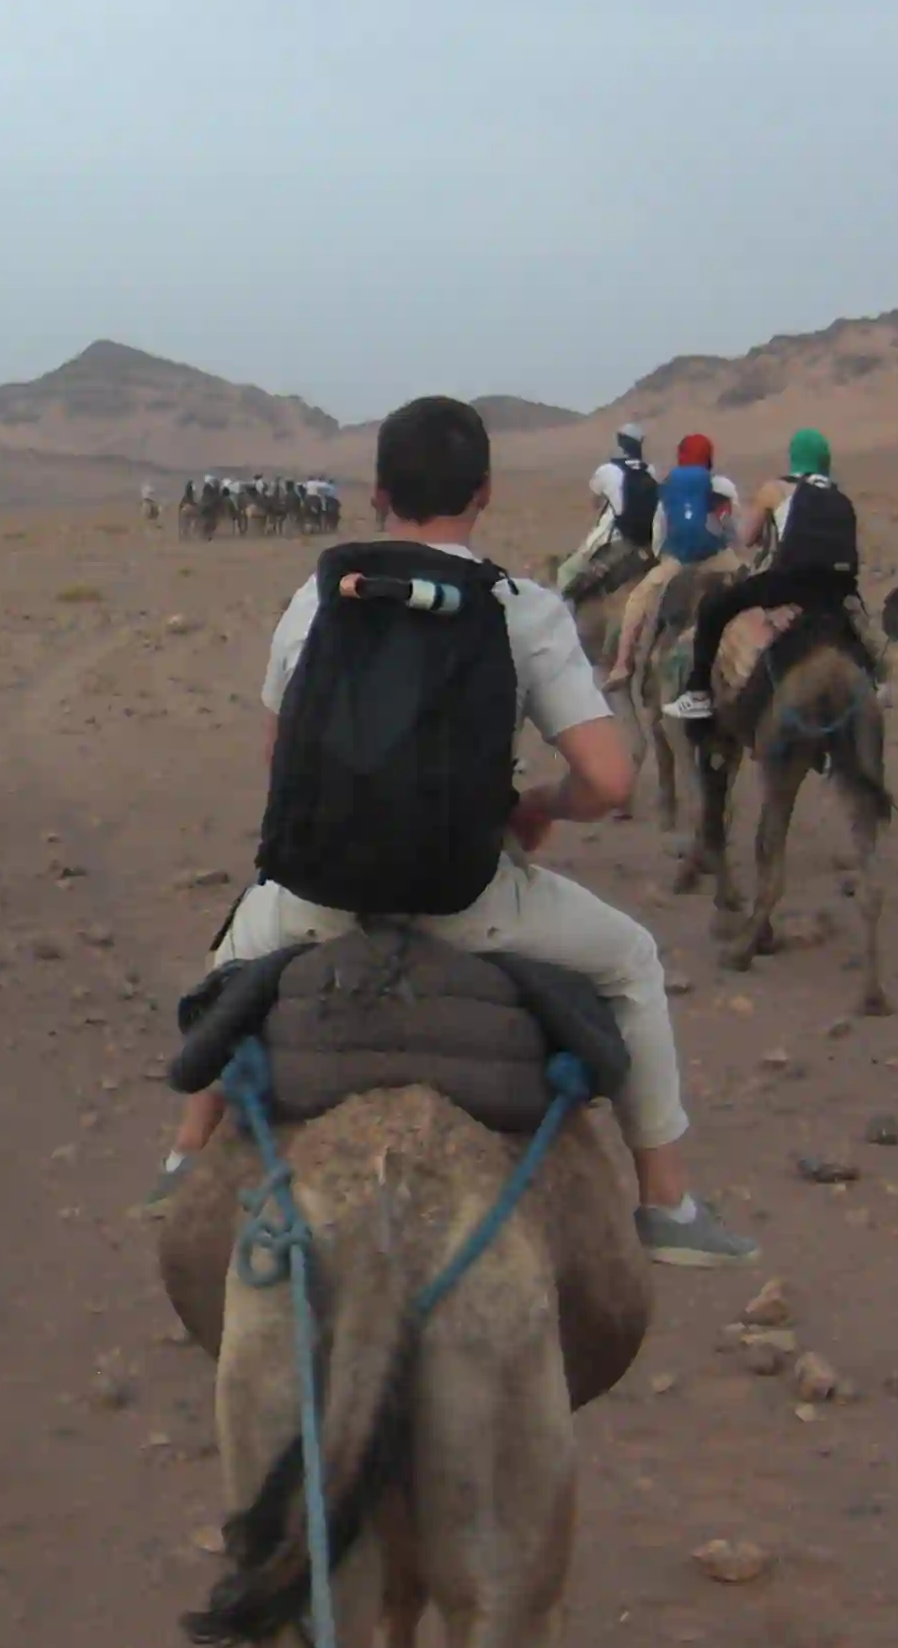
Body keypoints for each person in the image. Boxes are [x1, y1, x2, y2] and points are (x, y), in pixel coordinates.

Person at [156, 398, 755, 1267]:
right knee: (631, 962)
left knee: (230, 963)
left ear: (376, 493)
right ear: (483, 493)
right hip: (469, 899)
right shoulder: (520, 608)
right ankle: (666, 1202)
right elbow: (611, 780)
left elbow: (278, 756)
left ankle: (185, 1154)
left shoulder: (314, 602)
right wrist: (537, 807)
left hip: (317, 897)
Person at [674, 428, 863, 720]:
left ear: (793, 457)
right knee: (860, 631)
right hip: (837, 589)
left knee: (713, 606)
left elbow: (748, 538)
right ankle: (877, 680)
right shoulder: (838, 495)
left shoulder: (775, 489)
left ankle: (698, 692)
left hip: (791, 584)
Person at [603, 434, 725, 691]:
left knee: (638, 598)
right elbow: (730, 526)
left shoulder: (669, 485)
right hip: (719, 560)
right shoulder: (719, 484)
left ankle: (622, 664)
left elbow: (659, 529)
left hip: (679, 561)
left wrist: (663, 557)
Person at [553, 424, 661, 598]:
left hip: (619, 539)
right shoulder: (650, 471)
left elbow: (594, 503)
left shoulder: (607, 470)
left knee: (566, 571)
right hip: (648, 540)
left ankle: (565, 610)